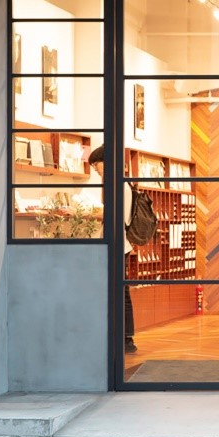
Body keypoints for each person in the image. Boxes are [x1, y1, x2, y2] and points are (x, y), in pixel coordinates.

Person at [88, 146, 137, 353]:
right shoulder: (118, 183)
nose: (95, 170)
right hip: (118, 244)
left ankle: (125, 338)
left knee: (120, 291)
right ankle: (123, 337)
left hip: (117, 244)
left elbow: (117, 217)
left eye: (96, 165)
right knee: (119, 291)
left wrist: (93, 214)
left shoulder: (119, 185)